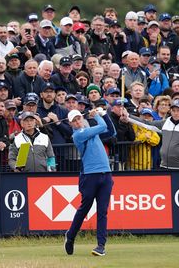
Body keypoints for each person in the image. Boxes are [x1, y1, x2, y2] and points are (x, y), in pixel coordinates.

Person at [64, 107, 115, 257]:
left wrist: (105, 114)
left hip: (106, 174)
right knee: (84, 208)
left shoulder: (92, 131)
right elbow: (103, 126)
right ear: (71, 124)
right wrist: (97, 115)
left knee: (102, 211)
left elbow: (111, 130)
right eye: (74, 121)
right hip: (90, 176)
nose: (78, 122)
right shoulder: (78, 135)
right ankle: (71, 236)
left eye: (79, 118)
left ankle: (101, 245)